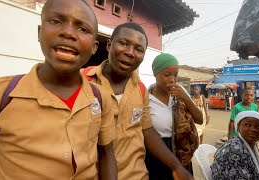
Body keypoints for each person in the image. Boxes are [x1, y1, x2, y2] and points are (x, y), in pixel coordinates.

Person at [0, 0, 117, 179]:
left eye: (83, 29)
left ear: (94, 47)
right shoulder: (3, 94)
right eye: (56, 21)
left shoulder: (101, 98)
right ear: (39, 32)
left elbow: (107, 154)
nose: (68, 33)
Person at [83, 23, 193, 180]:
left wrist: (175, 166)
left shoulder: (140, 90)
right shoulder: (82, 81)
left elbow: (147, 130)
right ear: (109, 45)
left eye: (139, 49)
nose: (130, 53)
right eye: (124, 43)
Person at [145, 53, 203, 180]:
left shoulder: (180, 91)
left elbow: (200, 120)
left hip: (183, 152)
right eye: (167, 74)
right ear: (155, 74)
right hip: (158, 154)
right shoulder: (145, 98)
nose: (172, 79)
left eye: (175, 75)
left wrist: (186, 98)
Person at [211, 111, 259, 180]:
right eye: (248, 125)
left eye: (258, 127)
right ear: (238, 127)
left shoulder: (250, 146)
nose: (253, 129)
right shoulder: (233, 149)